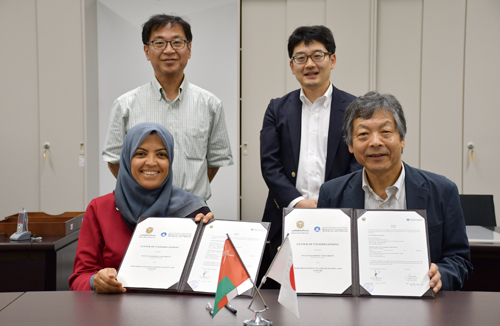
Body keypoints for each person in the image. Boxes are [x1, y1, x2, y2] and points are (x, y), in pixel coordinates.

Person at [317, 91, 473, 292]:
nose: (375, 142)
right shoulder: (331, 193)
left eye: (385, 132)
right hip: (355, 309)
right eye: (363, 134)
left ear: (402, 140)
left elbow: (459, 259)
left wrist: (441, 274)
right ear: (350, 145)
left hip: (423, 309)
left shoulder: (442, 191)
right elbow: (326, 258)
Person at [102, 14, 233, 201]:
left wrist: (187, 197)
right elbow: (114, 160)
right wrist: (141, 192)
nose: (169, 50)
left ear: (189, 49)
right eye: (159, 43)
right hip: (142, 210)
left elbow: (214, 162)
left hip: (193, 211)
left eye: (177, 42)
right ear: (147, 51)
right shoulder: (125, 105)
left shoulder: (210, 104)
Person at [260, 25, 361, 267]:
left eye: (318, 56)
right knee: (280, 294)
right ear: (292, 65)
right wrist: (297, 202)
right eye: (301, 58)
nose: (310, 64)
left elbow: (359, 164)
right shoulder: (277, 108)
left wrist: (329, 202)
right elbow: (269, 165)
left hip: (339, 216)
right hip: (286, 217)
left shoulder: (355, 108)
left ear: (332, 60)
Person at [70, 123, 214, 293]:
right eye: (140, 154)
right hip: (114, 315)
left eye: (161, 154)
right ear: (127, 159)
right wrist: (96, 280)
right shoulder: (100, 209)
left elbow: (208, 278)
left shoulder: (193, 210)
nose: (151, 162)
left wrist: (211, 241)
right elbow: (79, 279)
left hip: (174, 315)